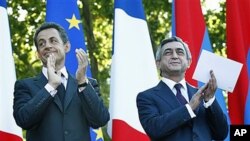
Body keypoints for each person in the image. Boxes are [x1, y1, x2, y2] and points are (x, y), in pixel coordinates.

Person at [13, 22, 110, 141]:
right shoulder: (24, 86)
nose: (47, 46)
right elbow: (23, 120)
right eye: (42, 43)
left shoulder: (87, 84)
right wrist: (51, 86)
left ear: (66, 47)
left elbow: (100, 120)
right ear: (38, 54)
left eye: (53, 41)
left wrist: (82, 82)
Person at [136, 36, 228, 141]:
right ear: (158, 63)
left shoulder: (203, 94)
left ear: (189, 62)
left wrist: (210, 100)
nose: (175, 56)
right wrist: (189, 107)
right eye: (168, 52)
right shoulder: (146, 97)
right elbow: (154, 129)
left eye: (180, 52)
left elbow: (222, 134)